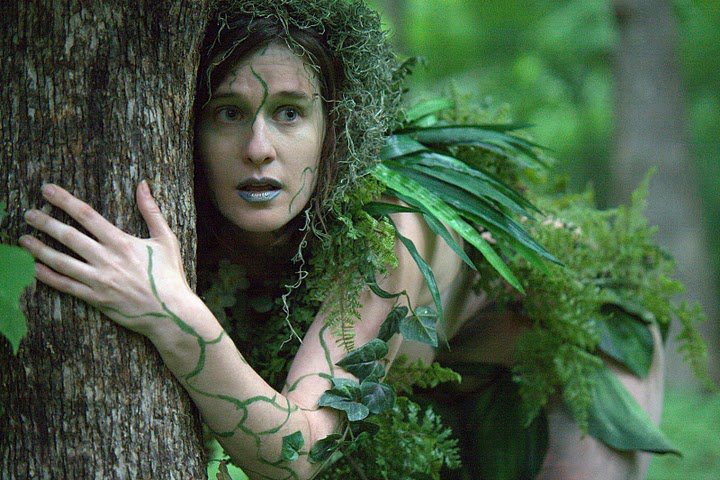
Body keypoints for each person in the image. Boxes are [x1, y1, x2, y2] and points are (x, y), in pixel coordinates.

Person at [19, 1, 678, 479]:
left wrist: (173, 316)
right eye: (227, 113)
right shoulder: (213, 229)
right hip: (437, 388)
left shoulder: (383, 238)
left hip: (571, 343)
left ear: (332, 132)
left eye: (289, 113)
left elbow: (303, 451)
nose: (258, 148)